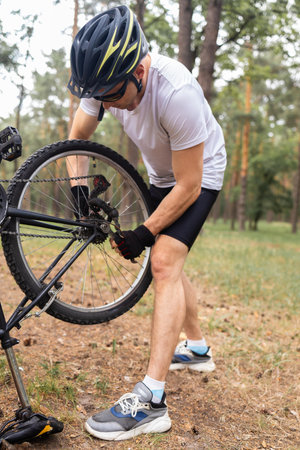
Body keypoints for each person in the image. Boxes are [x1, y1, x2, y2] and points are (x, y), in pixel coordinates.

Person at [67, 5, 226, 441]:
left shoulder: (177, 93)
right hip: (161, 174)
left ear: (138, 69)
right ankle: (196, 349)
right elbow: (76, 138)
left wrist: (145, 231)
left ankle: (152, 402)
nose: (108, 103)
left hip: (199, 175)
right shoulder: (102, 79)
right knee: (170, 262)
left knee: (164, 261)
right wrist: (78, 188)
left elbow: (190, 186)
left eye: (113, 94)